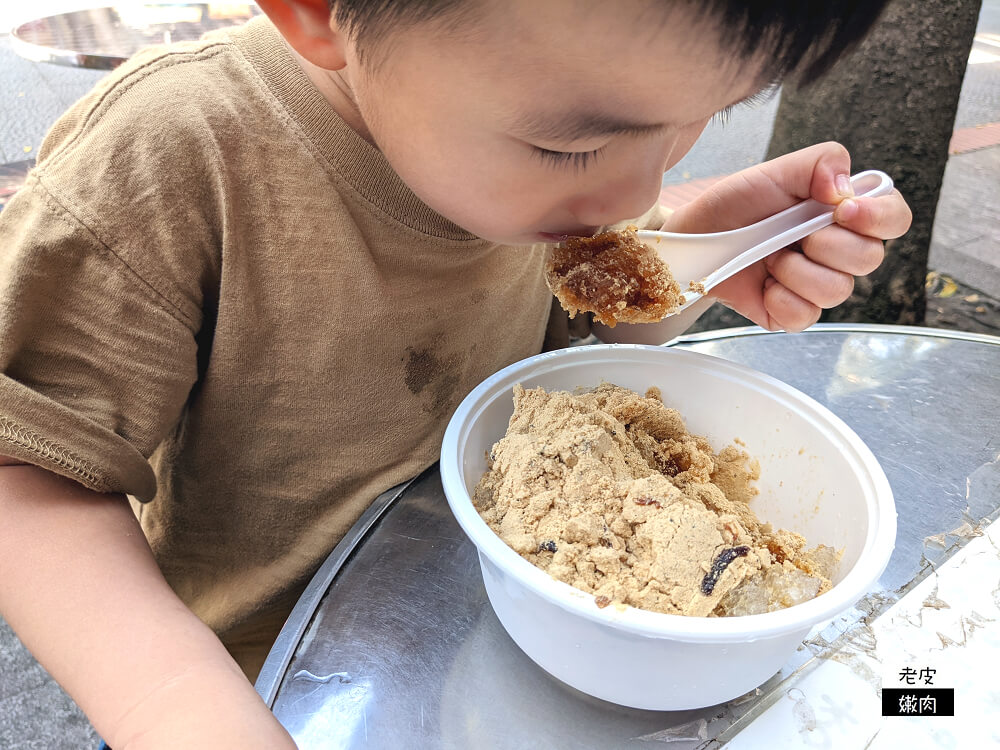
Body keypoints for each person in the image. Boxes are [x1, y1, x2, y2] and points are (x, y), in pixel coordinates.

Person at [0, 0, 911, 747]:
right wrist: (172, 705)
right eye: (570, 145)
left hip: (506, 636)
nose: (635, 193)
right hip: (264, 675)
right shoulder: (173, 159)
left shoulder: (504, 157)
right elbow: (26, 468)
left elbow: (559, 342)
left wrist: (695, 258)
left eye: (698, 119)